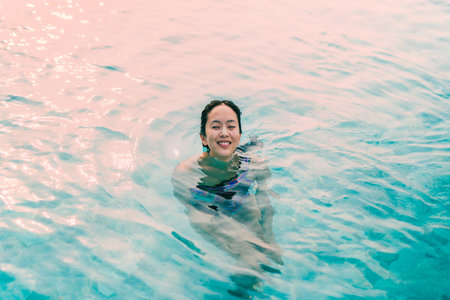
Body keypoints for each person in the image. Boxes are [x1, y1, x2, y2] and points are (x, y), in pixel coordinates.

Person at [171, 100, 282, 296]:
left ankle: (250, 284)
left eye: (231, 127)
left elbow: (266, 203)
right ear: (203, 138)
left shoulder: (257, 166)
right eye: (216, 127)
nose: (224, 132)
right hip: (206, 203)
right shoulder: (185, 171)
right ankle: (240, 293)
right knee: (250, 257)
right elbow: (192, 209)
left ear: (238, 135)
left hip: (239, 191)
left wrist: (270, 240)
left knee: (264, 251)